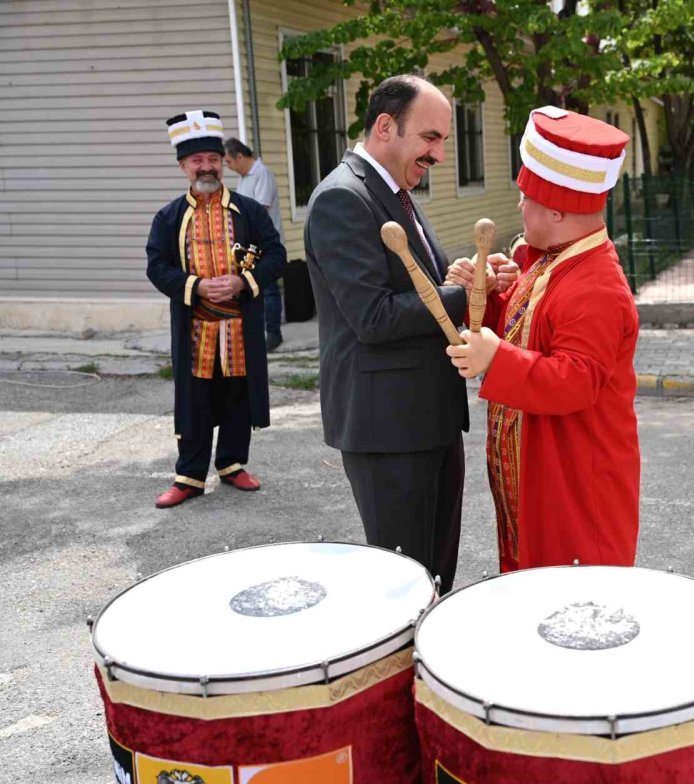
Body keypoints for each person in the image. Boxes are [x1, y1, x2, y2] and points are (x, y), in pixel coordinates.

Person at [445, 107, 640, 572]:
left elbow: (575, 380)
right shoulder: (555, 259)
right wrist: (485, 299)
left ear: (555, 209)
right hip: (545, 477)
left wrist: (495, 358)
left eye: (526, 196)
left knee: (575, 611)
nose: (518, 206)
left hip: (575, 489)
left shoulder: (596, 285)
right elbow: (524, 329)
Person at [304, 75, 470, 593]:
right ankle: (401, 675)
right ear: (384, 126)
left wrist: (460, 277)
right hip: (388, 425)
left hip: (430, 416)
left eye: (442, 140)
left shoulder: (394, 190)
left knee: (436, 576)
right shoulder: (343, 199)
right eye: (430, 138)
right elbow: (373, 316)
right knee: (404, 585)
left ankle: (428, 670)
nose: (439, 154)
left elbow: (420, 284)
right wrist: (468, 295)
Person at [147, 110, 287, 508]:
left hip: (240, 328)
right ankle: (188, 476)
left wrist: (243, 282)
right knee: (195, 401)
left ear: (222, 161)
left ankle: (231, 464)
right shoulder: (169, 217)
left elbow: (277, 255)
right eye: (196, 161)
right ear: (183, 166)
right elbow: (156, 266)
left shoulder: (251, 212)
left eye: (212, 158)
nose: (205, 166)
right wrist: (196, 286)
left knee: (236, 397)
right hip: (196, 328)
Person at [223, 138, 285, 352]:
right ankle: (256, 332)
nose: (228, 167)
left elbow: (260, 210)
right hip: (246, 246)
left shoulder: (262, 174)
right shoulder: (243, 178)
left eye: (229, 161)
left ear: (240, 156)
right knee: (251, 289)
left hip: (265, 244)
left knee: (269, 290)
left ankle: (274, 333)